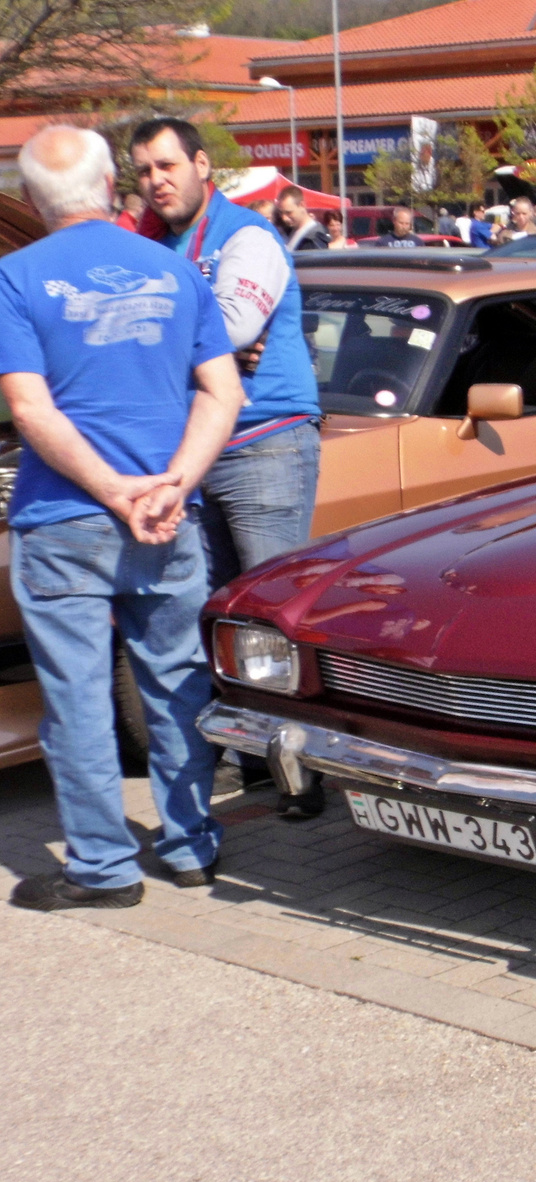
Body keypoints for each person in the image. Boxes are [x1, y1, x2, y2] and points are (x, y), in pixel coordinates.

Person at [2, 126, 249, 910]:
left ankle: (104, 867)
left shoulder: (15, 276)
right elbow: (224, 392)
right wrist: (174, 483)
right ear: (115, 187)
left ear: (33, 201)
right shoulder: (174, 272)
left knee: (76, 696)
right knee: (176, 683)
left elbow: (27, 406)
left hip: (64, 516)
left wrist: (112, 490)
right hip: (168, 516)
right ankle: (190, 846)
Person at [131, 118, 324, 813]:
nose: (156, 180)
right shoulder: (148, 242)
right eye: (144, 170)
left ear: (202, 165)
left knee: (274, 615)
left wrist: (175, 333)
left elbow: (237, 326)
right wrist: (200, 333)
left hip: (262, 444)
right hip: (186, 450)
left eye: (166, 164)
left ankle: (301, 773)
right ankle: (246, 758)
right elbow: (214, 338)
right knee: (204, 619)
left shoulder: (247, 235)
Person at [275, 185, 329, 250]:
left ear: (302, 205)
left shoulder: (314, 238)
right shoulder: (291, 231)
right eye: (281, 213)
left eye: (289, 213)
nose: (284, 218)